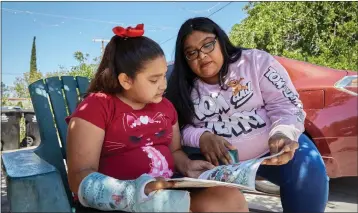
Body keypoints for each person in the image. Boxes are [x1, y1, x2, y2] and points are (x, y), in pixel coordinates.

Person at [65, 24, 248, 213]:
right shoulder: (97, 106)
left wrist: (187, 166)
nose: (163, 85)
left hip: (169, 194)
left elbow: (175, 150)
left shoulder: (166, 107)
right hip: (119, 204)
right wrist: (134, 193)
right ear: (126, 80)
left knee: (230, 197)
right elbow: (79, 176)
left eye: (163, 76)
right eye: (154, 80)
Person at [165, 17, 329, 213]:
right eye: (191, 52)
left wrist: (283, 133)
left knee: (309, 169)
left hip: (270, 152)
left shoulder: (255, 62)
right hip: (218, 163)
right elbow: (177, 129)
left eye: (208, 44)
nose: (202, 55)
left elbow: (286, 105)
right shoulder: (181, 85)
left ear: (221, 40)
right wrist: (202, 137)